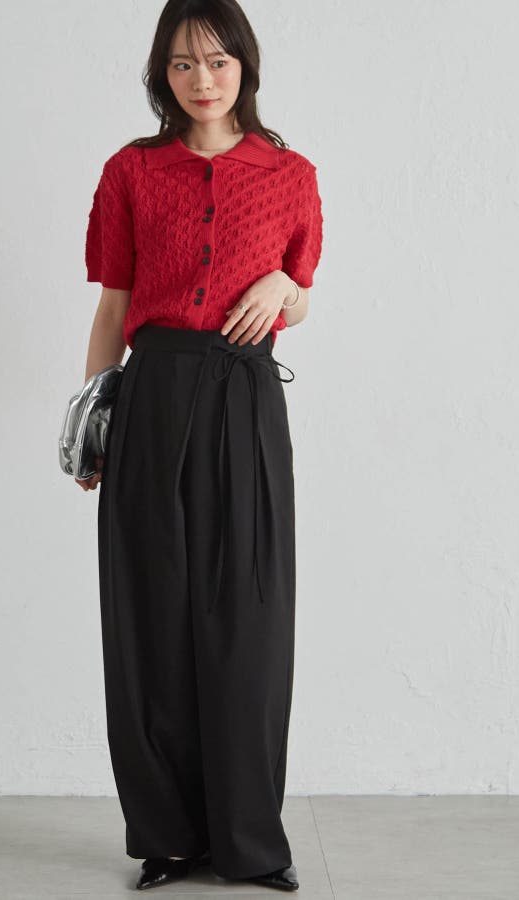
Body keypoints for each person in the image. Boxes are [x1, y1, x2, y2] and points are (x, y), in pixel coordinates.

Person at [76, 0, 323, 892]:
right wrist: (93, 419)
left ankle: (249, 840)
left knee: (247, 617)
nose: (202, 80)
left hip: (244, 400)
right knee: (150, 616)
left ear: (244, 66)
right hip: (153, 394)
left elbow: (302, 297)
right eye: (182, 64)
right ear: (162, 75)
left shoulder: (290, 174)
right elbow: (113, 305)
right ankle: (170, 839)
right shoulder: (131, 172)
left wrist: (284, 285)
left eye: (217, 61)